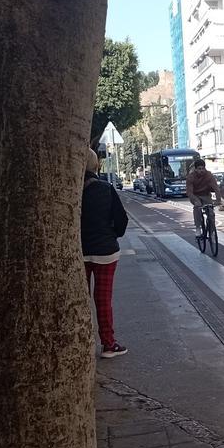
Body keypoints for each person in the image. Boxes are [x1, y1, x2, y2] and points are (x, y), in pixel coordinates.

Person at [82, 148, 129, 358]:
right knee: (103, 300)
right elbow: (121, 220)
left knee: (80, 299)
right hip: (105, 252)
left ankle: (81, 342)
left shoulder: (69, 189)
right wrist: (112, 235)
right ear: (96, 166)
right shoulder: (105, 188)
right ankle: (108, 344)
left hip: (79, 252)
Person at [185, 158, 219, 238]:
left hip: (206, 195)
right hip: (195, 195)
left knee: (211, 212)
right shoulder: (191, 177)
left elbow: (216, 188)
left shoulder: (209, 175)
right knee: (197, 207)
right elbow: (189, 192)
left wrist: (218, 200)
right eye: (199, 169)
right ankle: (198, 227)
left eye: (203, 168)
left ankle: (212, 231)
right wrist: (195, 200)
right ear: (195, 169)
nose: (201, 170)